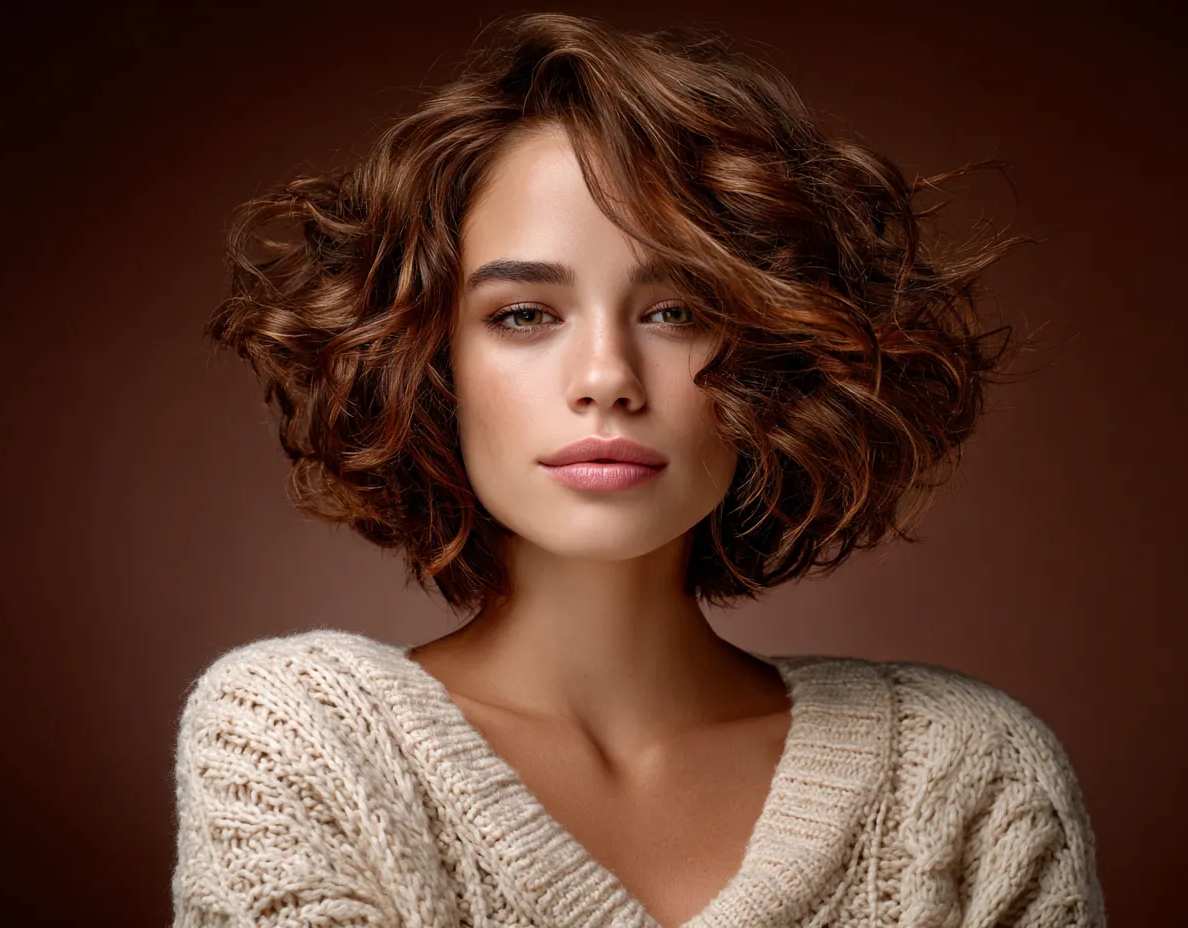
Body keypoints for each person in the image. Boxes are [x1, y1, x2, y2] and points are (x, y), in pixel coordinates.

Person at [171, 12, 1105, 927]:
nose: (607, 380)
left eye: (677, 312)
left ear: (774, 355)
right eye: (525, 315)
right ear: (428, 361)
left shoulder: (969, 777)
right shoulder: (305, 740)